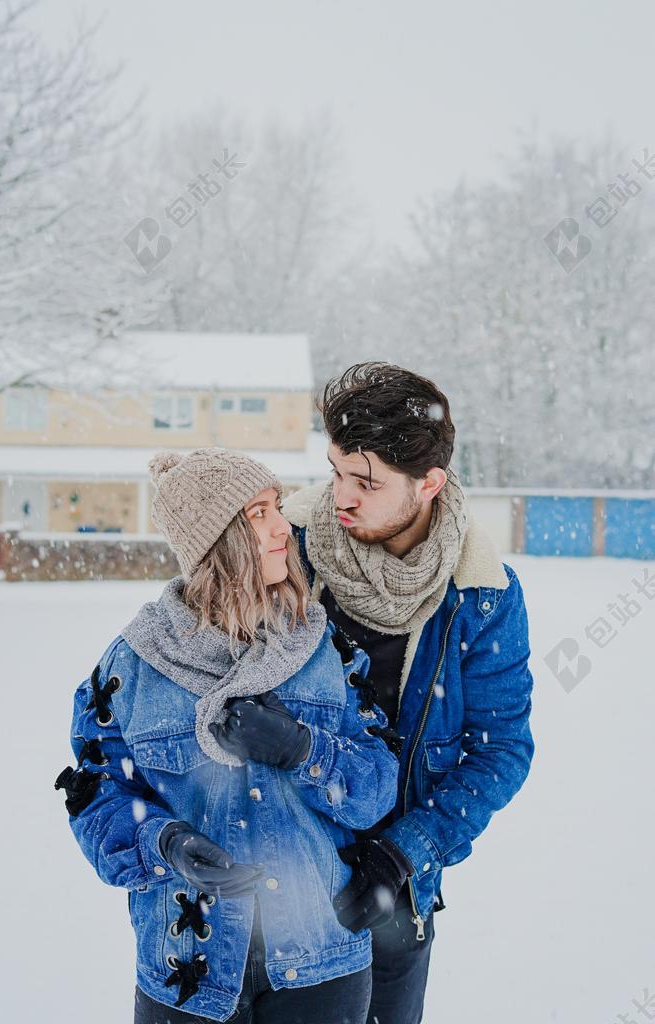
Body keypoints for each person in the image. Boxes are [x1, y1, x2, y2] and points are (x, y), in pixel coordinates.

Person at [54, 447, 402, 1024]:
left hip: (321, 961)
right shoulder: (132, 668)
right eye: (257, 514)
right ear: (214, 542)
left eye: (276, 508)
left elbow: (375, 791)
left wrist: (303, 749)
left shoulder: (324, 654)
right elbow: (93, 790)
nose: (280, 528)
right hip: (186, 964)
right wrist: (163, 842)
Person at [281, 362, 536, 1024]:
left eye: (365, 482)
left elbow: (500, 751)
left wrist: (405, 851)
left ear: (428, 484)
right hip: (281, 881)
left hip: (397, 893)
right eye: (336, 471)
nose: (341, 495)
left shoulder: (482, 597)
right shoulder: (287, 549)